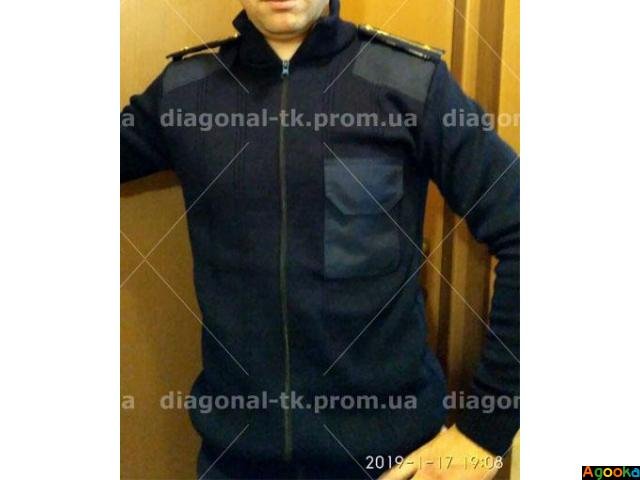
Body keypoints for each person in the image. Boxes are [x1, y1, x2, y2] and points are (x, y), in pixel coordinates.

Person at [120, 0, 520, 478]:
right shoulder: (187, 90)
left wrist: (485, 433)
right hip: (235, 462)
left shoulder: (409, 81)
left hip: (392, 463)